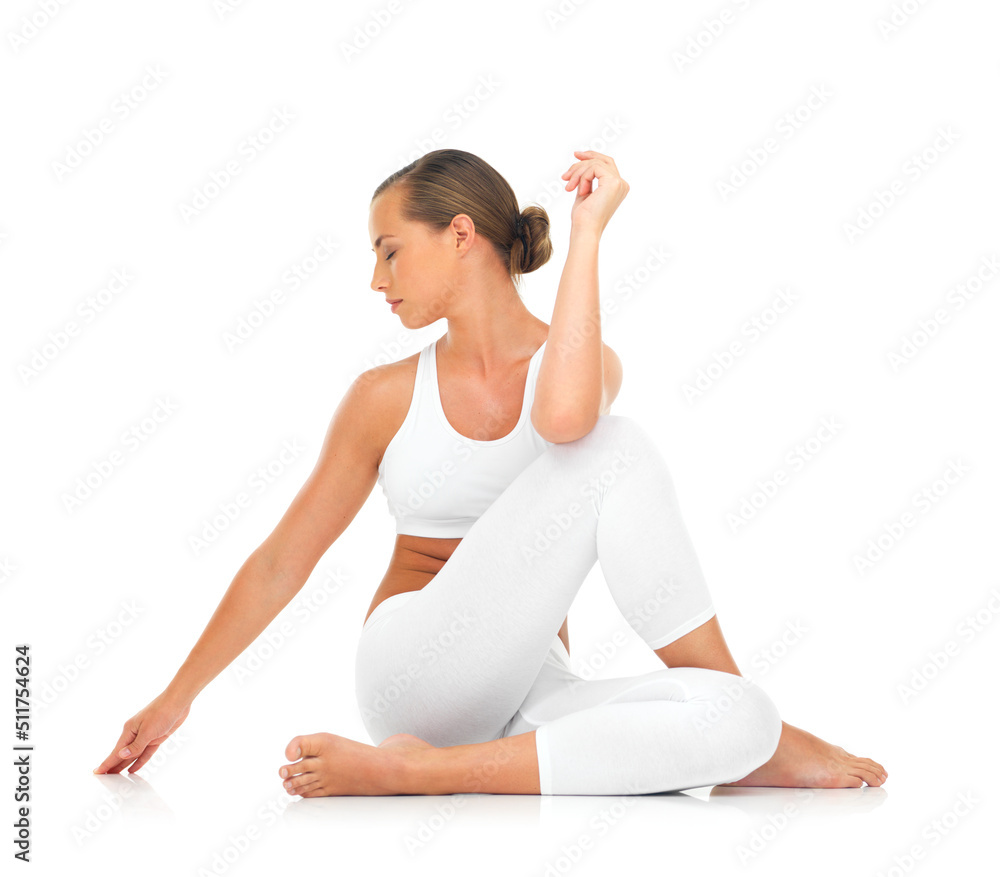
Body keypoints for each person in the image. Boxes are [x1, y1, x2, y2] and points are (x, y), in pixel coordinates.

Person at [94, 149, 887, 796]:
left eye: (390, 249)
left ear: (461, 234)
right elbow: (280, 562)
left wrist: (589, 236)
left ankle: (422, 770)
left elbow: (562, 414)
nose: (378, 279)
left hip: (526, 690)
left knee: (736, 717)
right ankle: (765, 745)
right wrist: (175, 698)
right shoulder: (384, 395)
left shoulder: (586, 367)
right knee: (618, 450)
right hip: (413, 671)